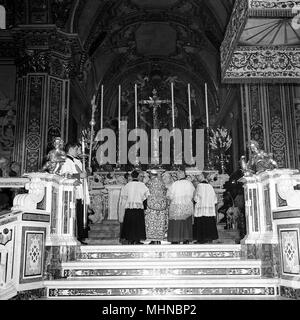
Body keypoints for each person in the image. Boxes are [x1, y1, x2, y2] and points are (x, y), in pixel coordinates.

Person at [60, 142, 90, 245]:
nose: (79, 152)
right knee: (75, 215)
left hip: (81, 192)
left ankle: (81, 237)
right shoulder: (64, 161)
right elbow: (63, 175)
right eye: (78, 149)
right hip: (72, 193)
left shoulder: (77, 161)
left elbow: (83, 174)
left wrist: (87, 172)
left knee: (81, 215)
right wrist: (78, 176)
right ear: (72, 148)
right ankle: (75, 237)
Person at [120, 170, 150, 244]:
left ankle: (130, 239)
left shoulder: (127, 185)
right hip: (138, 208)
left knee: (129, 224)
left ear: (132, 176)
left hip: (129, 208)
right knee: (138, 224)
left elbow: (123, 198)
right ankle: (137, 240)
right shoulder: (142, 185)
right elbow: (147, 196)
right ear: (138, 176)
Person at [167, 170, 195, 244]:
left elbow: (170, 195)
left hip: (176, 206)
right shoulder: (189, 183)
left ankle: (175, 239)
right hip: (186, 205)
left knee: (176, 223)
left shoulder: (175, 184)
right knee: (186, 222)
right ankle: (186, 239)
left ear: (179, 176)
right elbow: (192, 195)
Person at [145, 170, 168, 245]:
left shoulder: (149, 183)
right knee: (160, 222)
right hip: (161, 206)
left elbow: (145, 193)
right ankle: (159, 239)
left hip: (151, 206)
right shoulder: (162, 182)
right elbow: (165, 192)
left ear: (151, 175)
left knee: (152, 222)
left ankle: (153, 239)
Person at [193, 179, 218, 244]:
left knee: (200, 224)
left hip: (200, 209)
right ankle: (209, 238)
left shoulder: (199, 186)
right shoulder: (210, 187)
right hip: (209, 210)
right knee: (209, 223)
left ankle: (200, 239)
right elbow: (215, 200)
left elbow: (196, 198)